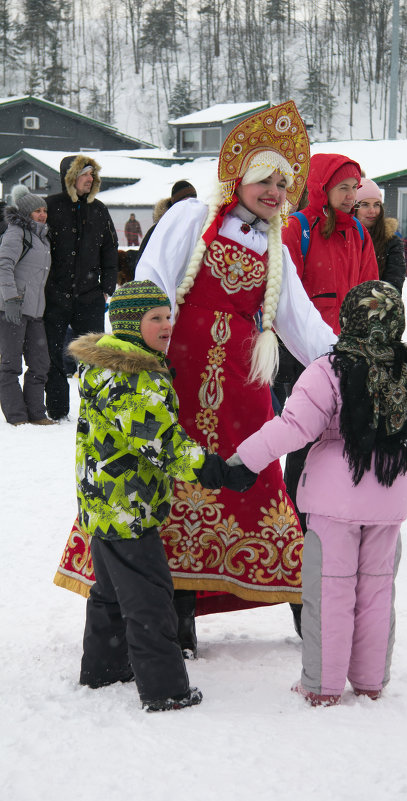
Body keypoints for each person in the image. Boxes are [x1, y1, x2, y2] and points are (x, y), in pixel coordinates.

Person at [53, 100, 336, 657]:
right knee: (168, 481)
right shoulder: (191, 220)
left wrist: (350, 361)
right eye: (266, 180)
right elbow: (150, 288)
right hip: (175, 379)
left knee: (254, 480)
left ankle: (303, 601)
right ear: (239, 177)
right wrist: (135, 359)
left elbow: (300, 321)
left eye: (284, 184)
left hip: (240, 389)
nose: (276, 193)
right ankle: (176, 608)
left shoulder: (275, 249)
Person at [226, 281, 407, 706]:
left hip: (335, 501)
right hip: (389, 496)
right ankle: (371, 680)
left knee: (329, 593)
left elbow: (294, 427)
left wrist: (243, 459)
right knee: (377, 591)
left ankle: (322, 685)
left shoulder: (331, 369)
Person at [71, 279, 251, 712]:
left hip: (103, 502)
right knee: (150, 599)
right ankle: (166, 689)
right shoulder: (134, 377)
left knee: (111, 593)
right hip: (128, 506)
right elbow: (162, 441)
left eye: (169, 316)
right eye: (156, 319)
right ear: (132, 323)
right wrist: (216, 470)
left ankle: (104, 668)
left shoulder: (105, 368)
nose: (167, 325)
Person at [278, 153, 379, 635]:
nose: (351, 195)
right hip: (299, 359)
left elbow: (369, 290)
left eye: (355, 187)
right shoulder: (295, 230)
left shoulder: (357, 233)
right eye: (343, 187)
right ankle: (299, 519)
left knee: (342, 440)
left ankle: (336, 512)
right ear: (322, 187)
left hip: (349, 357)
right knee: (301, 442)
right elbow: (285, 297)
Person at [44, 155, 118, 421]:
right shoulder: (50, 207)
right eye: (85, 174)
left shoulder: (99, 209)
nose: (91, 179)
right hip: (54, 295)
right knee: (52, 354)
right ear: (70, 177)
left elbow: (110, 249)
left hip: (89, 296)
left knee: (93, 356)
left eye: (92, 175)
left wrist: (107, 286)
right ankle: (57, 409)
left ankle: (94, 409)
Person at [0, 185, 54, 426]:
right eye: (36, 211)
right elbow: (3, 266)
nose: (42, 214)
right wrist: (11, 300)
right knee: (10, 365)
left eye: (44, 210)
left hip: (34, 311)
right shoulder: (15, 233)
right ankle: (17, 416)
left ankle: (36, 413)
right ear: (25, 214)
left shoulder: (41, 238)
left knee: (40, 363)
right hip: (12, 309)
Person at [354, 178, 406, 293]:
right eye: (365, 205)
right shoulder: (343, 238)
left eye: (376, 205)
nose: (372, 211)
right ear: (354, 207)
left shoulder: (392, 242)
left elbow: (393, 284)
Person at [136, 180, 197, 262]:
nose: (192, 205)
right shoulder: (158, 231)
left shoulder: (201, 226)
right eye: (186, 201)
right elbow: (143, 263)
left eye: (194, 200)